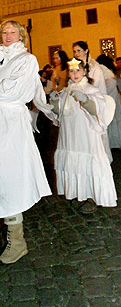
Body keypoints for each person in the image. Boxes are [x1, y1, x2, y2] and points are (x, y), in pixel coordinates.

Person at [0, 20, 56, 264]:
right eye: (3, 32)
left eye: (12, 32)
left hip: (8, 125)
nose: (6, 36)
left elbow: (13, 90)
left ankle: (17, 240)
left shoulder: (27, 60)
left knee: (7, 177)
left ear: (21, 35)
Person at [53, 58, 117, 214]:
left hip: (86, 134)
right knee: (74, 159)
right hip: (70, 134)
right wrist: (52, 100)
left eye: (78, 70)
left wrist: (85, 100)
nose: (75, 74)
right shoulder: (66, 90)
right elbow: (59, 112)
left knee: (89, 159)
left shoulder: (91, 90)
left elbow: (97, 110)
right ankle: (79, 191)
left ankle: (93, 196)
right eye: (72, 71)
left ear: (85, 72)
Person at [96, 54, 121, 149]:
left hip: (110, 98)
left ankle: (115, 143)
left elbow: (110, 85)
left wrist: (101, 94)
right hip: (113, 97)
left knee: (113, 120)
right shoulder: (109, 70)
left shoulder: (104, 70)